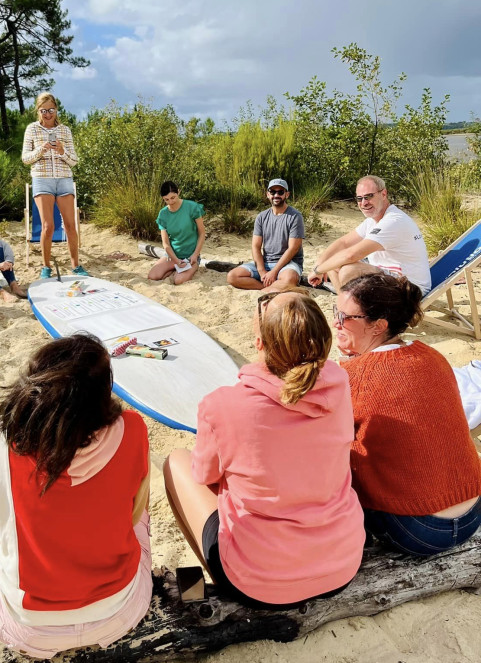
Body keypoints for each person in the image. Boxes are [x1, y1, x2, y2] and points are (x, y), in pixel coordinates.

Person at [0, 334, 152, 658]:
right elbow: (134, 515)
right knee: (135, 499)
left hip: (28, 627)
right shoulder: (133, 429)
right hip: (121, 610)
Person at [163, 291, 365, 608]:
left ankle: (198, 590)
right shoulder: (338, 382)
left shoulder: (222, 404)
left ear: (259, 343)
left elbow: (204, 474)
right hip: (341, 566)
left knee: (176, 462)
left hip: (260, 582)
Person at [335, 273, 481, 556]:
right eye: (335, 313)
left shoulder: (353, 377)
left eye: (345, 317)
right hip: (472, 513)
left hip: (419, 530)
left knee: (337, 455)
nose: (336, 323)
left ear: (378, 325)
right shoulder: (430, 355)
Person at [307, 175, 431, 295]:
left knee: (349, 270)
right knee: (333, 263)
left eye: (369, 196)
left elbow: (351, 255)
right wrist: (319, 264)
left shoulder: (394, 221)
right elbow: (343, 243)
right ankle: (344, 306)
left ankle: (351, 309)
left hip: (410, 288)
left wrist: (318, 270)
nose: (364, 203)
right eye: (359, 198)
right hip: (391, 279)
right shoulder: (373, 221)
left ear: (383, 194)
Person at [22, 92, 87, 278]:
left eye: (51, 110)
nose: (48, 114)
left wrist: (61, 150)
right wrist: (41, 149)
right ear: (38, 111)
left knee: (70, 225)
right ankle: (46, 267)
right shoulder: (32, 129)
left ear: (56, 110)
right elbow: (25, 159)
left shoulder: (65, 130)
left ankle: (76, 265)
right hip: (42, 179)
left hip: (64, 178)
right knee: (47, 226)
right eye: (44, 110)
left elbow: (74, 161)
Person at [226, 178, 304, 292]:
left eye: (280, 192)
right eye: (273, 192)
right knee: (232, 276)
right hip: (266, 261)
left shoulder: (295, 216)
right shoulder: (261, 217)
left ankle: (269, 288)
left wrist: (274, 272)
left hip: (288, 264)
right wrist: (262, 271)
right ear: (268, 194)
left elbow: (293, 248)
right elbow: (256, 246)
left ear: (287, 194)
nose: (276, 195)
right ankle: (267, 288)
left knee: (289, 279)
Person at [148, 181, 205, 286]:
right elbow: (166, 244)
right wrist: (177, 261)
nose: (170, 202)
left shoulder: (192, 207)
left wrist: (195, 255)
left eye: (173, 197)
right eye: (166, 199)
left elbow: (202, 233)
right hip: (172, 256)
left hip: (190, 256)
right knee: (153, 276)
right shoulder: (163, 214)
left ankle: (187, 268)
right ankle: (174, 268)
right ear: (163, 198)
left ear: (178, 192)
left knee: (178, 281)